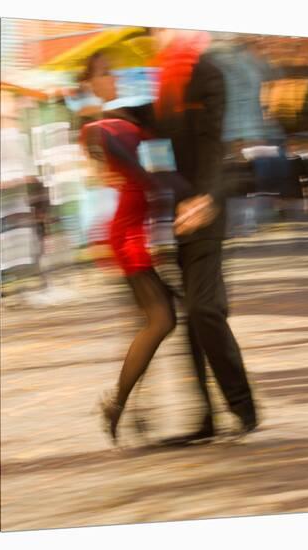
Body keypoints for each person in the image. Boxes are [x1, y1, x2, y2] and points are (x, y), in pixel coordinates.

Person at [131, 28, 258, 443]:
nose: (155, 35)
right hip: (181, 213)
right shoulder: (166, 81)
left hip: (208, 208)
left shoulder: (208, 73)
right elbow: (151, 120)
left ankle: (243, 407)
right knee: (196, 316)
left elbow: (215, 145)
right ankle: (206, 418)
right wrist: (107, 115)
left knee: (204, 309)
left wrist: (203, 198)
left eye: (160, 28)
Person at [79, 52, 182, 444]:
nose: (114, 78)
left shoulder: (125, 116)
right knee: (159, 320)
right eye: (105, 73)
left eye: (113, 71)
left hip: (133, 229)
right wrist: (148, 183)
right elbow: (103, 155)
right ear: (90, 82)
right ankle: (122, 405)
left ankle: (132, 407)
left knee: (155, 322)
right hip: (127, 234)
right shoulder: (102, 123)